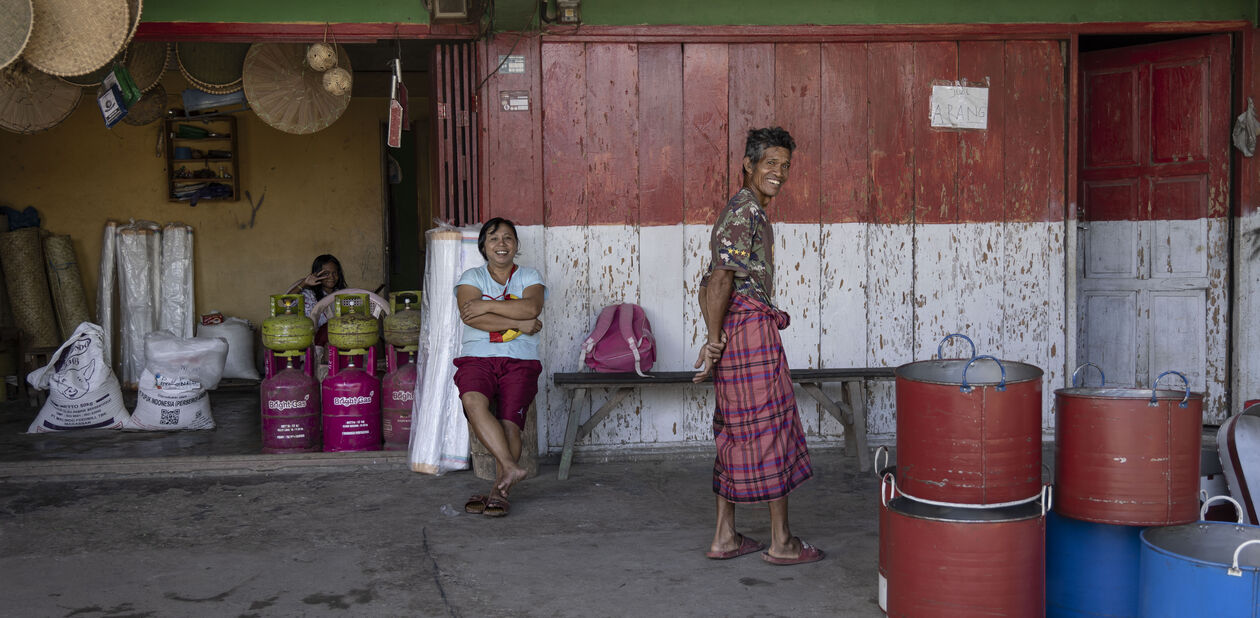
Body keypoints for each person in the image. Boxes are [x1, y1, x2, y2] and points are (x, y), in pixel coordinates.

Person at [692, 127, 824, 565]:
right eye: (770, 163)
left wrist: (716, 333)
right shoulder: (744, 211)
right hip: (750, 332)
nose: (779, 173)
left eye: (785, 165)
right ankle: (782, 542)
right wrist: (713, 342)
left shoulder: (748, 211)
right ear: (748, 165)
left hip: (738, 326)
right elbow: (720, 279)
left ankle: (725, 536)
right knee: (771, 428)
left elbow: (714, 282)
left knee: (734, 429)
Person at [453, 218, 545, 518]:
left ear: (516, 246)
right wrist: (519, 323)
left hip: (520, 359)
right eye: (493, 238)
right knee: (472, 401)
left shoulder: (530, 276)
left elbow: (531, 308)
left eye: (508, 238)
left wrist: (486, 306)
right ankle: (510, 467)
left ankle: (498, 492)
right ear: (483, 246)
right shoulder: (471, 277)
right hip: (477, 356)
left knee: (510, 424)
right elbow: (471, 317)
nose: (501, 244)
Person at [286, 254, 349, 335]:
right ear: (317, 274)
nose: (331, 277)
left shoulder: (342, 294)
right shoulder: (308, 295)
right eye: (326, 274)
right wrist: (303, 283)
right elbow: (286, 301)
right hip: (311, 338)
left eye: (335, 273)